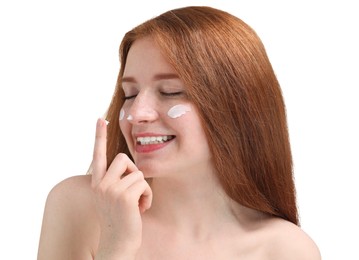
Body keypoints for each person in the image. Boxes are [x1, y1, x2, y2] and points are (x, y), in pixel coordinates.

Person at [37, 6, 321, 259]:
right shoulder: (78, 206)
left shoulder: (286, 249)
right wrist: (117, 246)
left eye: (170, 92)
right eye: (129, 93)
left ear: (236, 107)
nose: (136, 113)